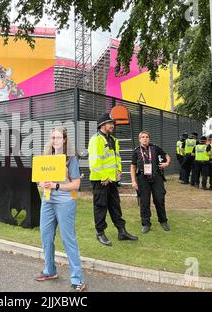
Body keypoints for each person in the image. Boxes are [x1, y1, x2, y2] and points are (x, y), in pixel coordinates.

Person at [34, 127, 85, 292]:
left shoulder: (71, 159)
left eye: (57, 137)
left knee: (68, 239)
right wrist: (42, 183)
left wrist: (56, 185)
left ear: (64, 139)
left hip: (66, 201)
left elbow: (76, 184)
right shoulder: (46, 158)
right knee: (46, 236)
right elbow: (41, 180)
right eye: (52, 138)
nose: (54, 140)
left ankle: (78, 279)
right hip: (48, 200)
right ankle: (50, 271)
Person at [88, 113, 138, 246]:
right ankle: (100, 233)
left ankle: (122, 231)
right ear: (102, 125)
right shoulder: (96, 140)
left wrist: (119, 170)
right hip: (100, 180)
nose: (113, 126)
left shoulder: (114, 140)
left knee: (115, 206)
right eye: (110, 123)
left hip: (112, 180)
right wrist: (103, 177)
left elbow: (117, 157)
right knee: (100, 207)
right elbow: (94, 162)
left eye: (113, 124)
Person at [130, 131, 171, 233]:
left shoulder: (155, 148)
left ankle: (163, 221)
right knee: (144, 202)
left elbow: (167, 155)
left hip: (156, 177)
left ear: (149, 138)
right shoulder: (136, 151)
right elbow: (133, 167)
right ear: (139, 139)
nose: (145, 138)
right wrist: (133, 181)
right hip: (142, 179)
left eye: (147, 137)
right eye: (142, 137)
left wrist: (167, 163)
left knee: (159, 199)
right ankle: (146, 224)